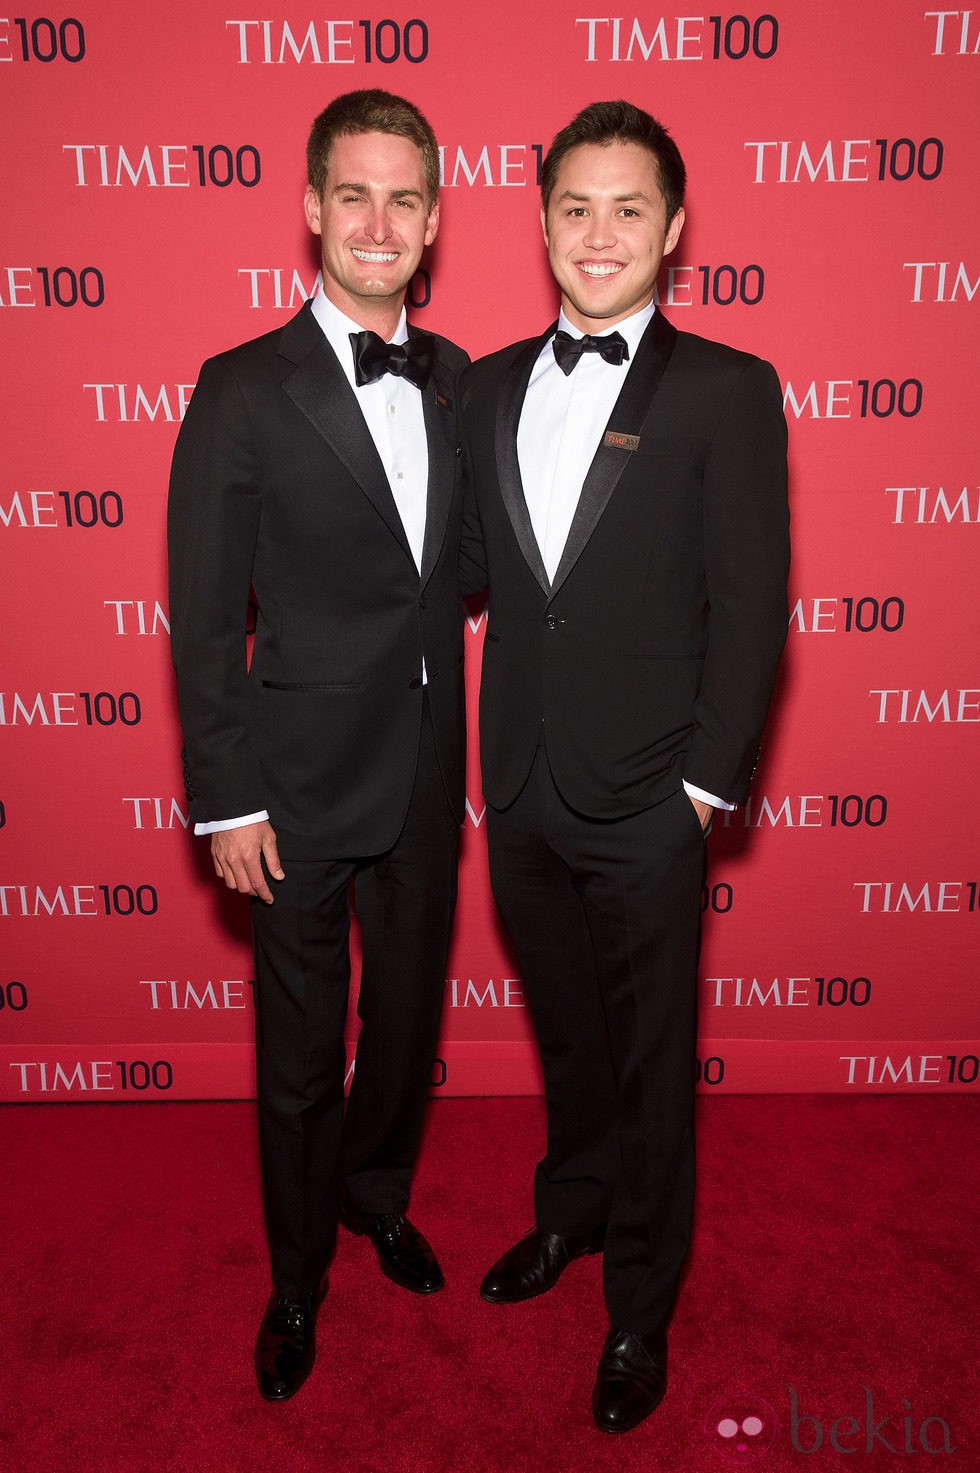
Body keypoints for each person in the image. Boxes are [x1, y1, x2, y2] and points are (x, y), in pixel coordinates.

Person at [459, 100, 790, 1433]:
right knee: (571, 1041)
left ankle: (640, 1304)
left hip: (652, 796)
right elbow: (474, 580)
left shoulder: (727, 389)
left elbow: (752, 602)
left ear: (676, 231)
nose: (600, 237)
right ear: (542, 223)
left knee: (655, 1061)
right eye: (577, 209)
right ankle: (572, 1220)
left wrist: (703, 792)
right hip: (523, 786)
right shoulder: (483, 384)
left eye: (629, 210)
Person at [167, 89, 468, 1402]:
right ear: (309, 207)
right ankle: (296, 1282)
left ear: (437, 219)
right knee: (298, 1057)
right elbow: (201, 614)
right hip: (287, 788)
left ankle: (376, 1198)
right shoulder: (239, 388)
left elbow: (469, 572)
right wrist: (225, 798)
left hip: (425, 769)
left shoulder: (459, 376)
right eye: (355, 192)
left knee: (401, 1026)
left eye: (405, 196)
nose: (378, 220)